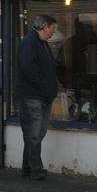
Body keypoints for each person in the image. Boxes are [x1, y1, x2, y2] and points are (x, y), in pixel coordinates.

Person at [16, 14, 59, 180]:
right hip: (32, 96)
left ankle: (27, 167)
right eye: (53, 28)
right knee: (34, 134)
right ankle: (36, 169)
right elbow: (29, 70)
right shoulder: (29, 43)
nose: (53, 32)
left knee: (37, 133)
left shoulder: (42, 44)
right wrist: (45, 88)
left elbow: (48, 68)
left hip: (42, 96)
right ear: (45, 26)